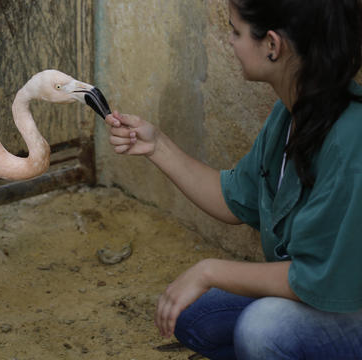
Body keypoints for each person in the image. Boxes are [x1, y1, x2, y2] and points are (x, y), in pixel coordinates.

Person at [105, 0, 362, 359]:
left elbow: (316, 278)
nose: (229, 42)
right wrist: (156, 145)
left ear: (272, 45)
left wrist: (209, 270)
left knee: (263, 328)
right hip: (320, 294)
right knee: (194, 315)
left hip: (347, 305)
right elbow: (233, 198)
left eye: (235, 31)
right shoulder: (289, 114)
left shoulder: (349, 141)